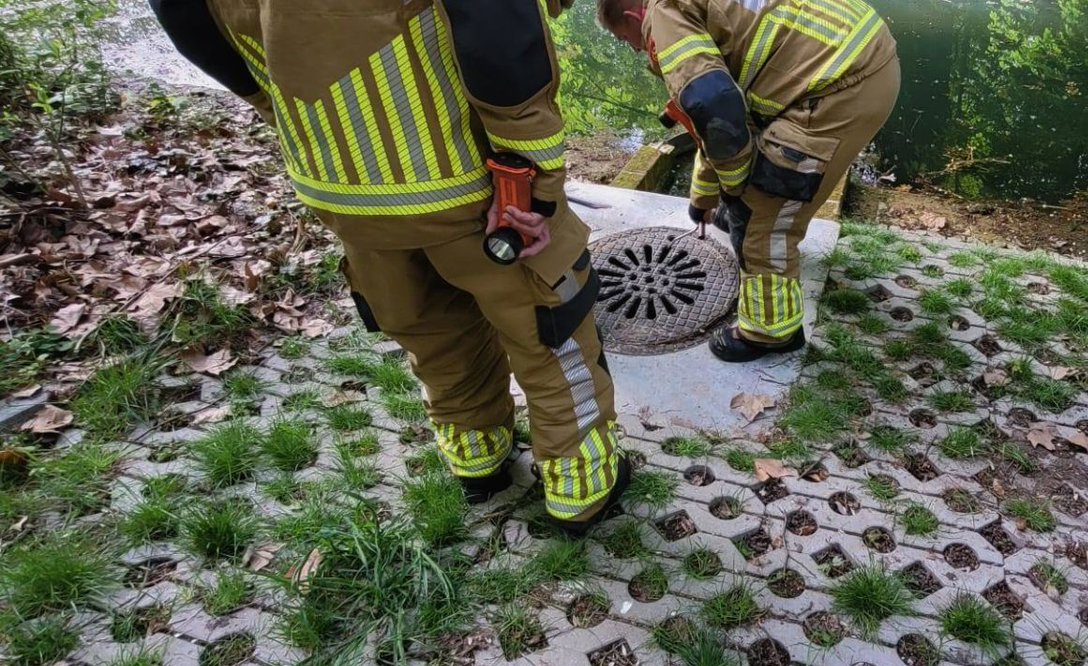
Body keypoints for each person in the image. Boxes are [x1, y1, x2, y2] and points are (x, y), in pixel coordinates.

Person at [150, 0, 629, 536]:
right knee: (548, 327)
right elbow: (497, 25)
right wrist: (531, 173)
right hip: (470, 184)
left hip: (337, 183)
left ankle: (477, 459)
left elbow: (181, 14)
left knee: (430, 328)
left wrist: (275, 104)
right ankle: (581, 486)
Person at [600, 0, 900, 362]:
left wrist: (736, 189)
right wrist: (704, 195)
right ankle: (770, 228)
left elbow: (716, 108)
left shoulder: (662, 19)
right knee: (759, 190)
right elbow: (714, 118)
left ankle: (770, 331)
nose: (634, 49)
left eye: (623, 40)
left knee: (761, 210)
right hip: (853, 54)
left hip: (838, 85)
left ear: (633, 17)